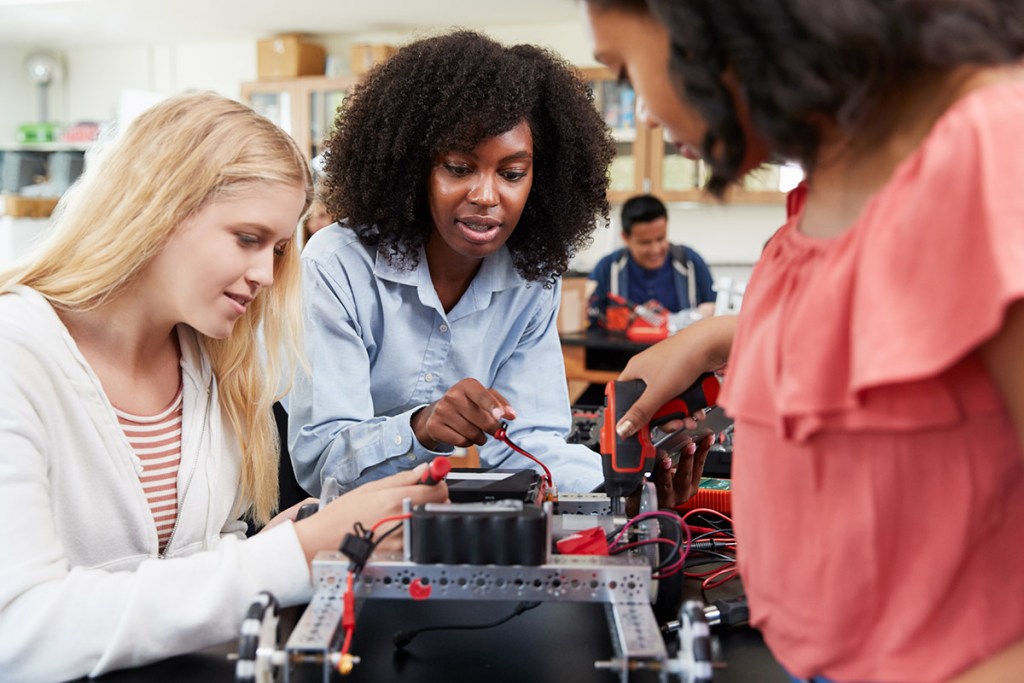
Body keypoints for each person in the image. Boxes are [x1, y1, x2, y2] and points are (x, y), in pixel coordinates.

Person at [580, 1, 1024, 682]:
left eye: (626, 72)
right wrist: (716, 341)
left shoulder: (993, 156)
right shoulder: (820, 195)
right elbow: (885, 316)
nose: (644, 116)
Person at [0, 92, 446, 682]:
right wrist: (289, 557)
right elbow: (20, 629)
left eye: (279, 249)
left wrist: (272, 546)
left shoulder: (212, 366)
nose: (266, 275)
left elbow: (181, 571)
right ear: (158, 207)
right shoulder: (15, 355)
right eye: (247, 238)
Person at [287, 30, 629, 499]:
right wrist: (420, 428)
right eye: (459, 168)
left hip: (421, 508)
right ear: (415, 169)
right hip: (315, 509)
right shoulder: (337, 266)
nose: (487, 196)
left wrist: (623, 487)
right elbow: (323, 460)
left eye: (512, 173)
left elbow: (529, 444)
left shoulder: (531, 279)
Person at [588, 193, 716, 329]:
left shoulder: (690, 263)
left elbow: (715, 310)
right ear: (625, 238)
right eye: (645, 242)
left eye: (661, 238)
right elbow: (590, 321)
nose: (655, 250)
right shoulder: (607, 269)